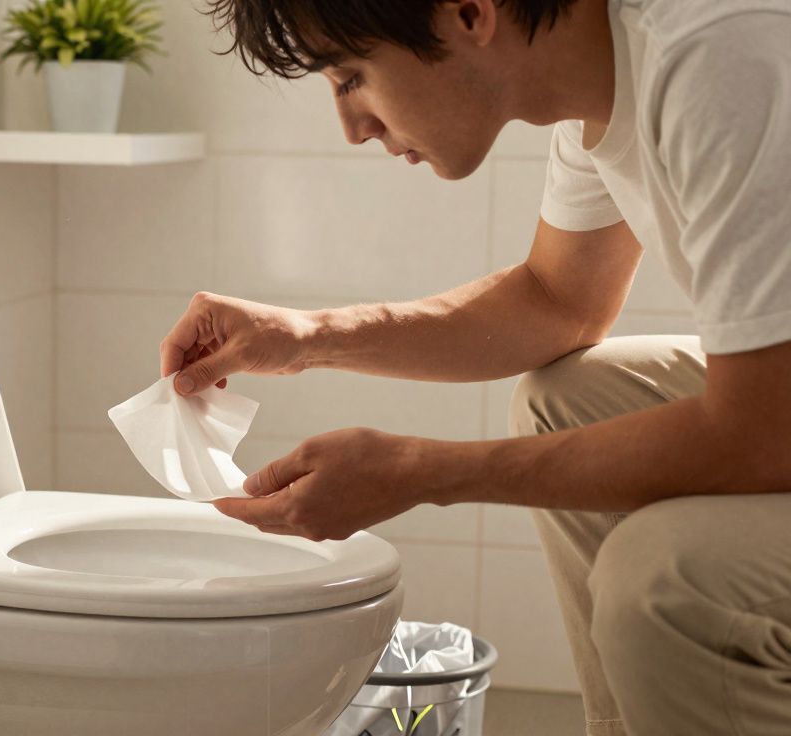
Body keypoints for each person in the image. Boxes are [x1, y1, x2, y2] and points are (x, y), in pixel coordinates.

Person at [158, 0, 791, 733]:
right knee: (571, 394)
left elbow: (760, 432)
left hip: (772, 420)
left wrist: (425, 472)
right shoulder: (606, 72)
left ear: (468, 12)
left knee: (658, 579)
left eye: (351, 77)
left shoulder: (718, 54)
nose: (352, 126)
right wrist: (305, 335)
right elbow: (560, 303)